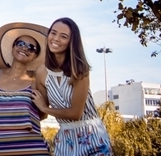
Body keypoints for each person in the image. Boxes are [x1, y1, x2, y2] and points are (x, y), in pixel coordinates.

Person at [34, 17, 113, 156]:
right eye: (53, 33)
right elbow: (41, 111)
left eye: (63, 36)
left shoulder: (80, 70)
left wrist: (45, 108)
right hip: (65, 139)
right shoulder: (41, 72)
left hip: (92, 136)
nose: (56, 38)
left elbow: (75, 113)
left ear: (71, 42)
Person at [0, 22, 50, 156]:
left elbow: (43, 113)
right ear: (13, 47)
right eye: (20, 43)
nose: (25, 48)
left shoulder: (35, 80)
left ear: (35, 55)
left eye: (31, 48)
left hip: (32, 149)